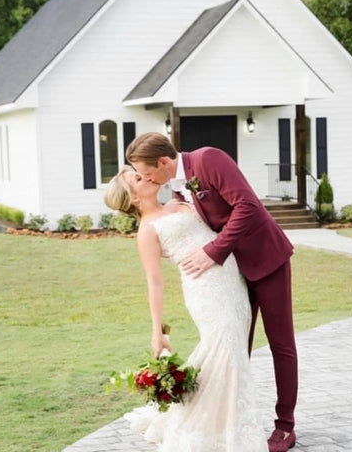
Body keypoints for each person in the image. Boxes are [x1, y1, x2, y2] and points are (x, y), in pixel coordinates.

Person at [125, 133, 298, 452]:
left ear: (163, 162)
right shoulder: (177, 189)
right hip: (229, 278)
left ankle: (285, 427)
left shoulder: (208, 159)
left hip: (265, 259)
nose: (147, 179)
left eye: (147, 173)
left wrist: (213, 251)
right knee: (233, 351)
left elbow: (248, 205)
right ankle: (231, 426)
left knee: (280, 345)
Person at [104, 165, 268, 452]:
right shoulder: (147, 230)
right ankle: (227, 434)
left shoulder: (178, 202)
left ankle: (217, 421)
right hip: (206, 293)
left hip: (232, 283)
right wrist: (159, 333)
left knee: (227, 356)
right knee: (227, 354)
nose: (147, 177)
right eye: (139, 179)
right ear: (133, 198)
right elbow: (155, 283)